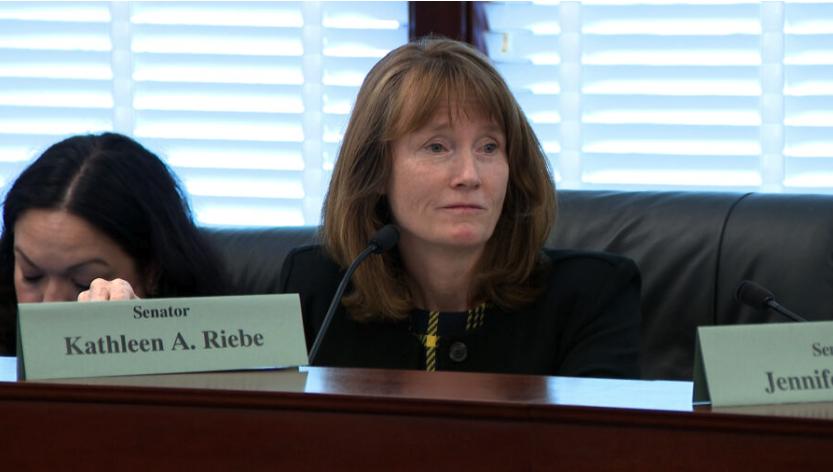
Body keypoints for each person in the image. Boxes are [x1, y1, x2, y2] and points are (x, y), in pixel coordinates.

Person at [280, 37, 641, 378]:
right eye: (437, 147)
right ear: (375, 170)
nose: (469, 175)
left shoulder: (590, 296)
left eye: (488, 147)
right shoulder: (320, 291)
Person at [0, 132, 228, 355]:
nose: (50, 305)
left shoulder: (218, 341)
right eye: (31, 275)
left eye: (84, 282)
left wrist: (151, 344)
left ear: (152, 272)